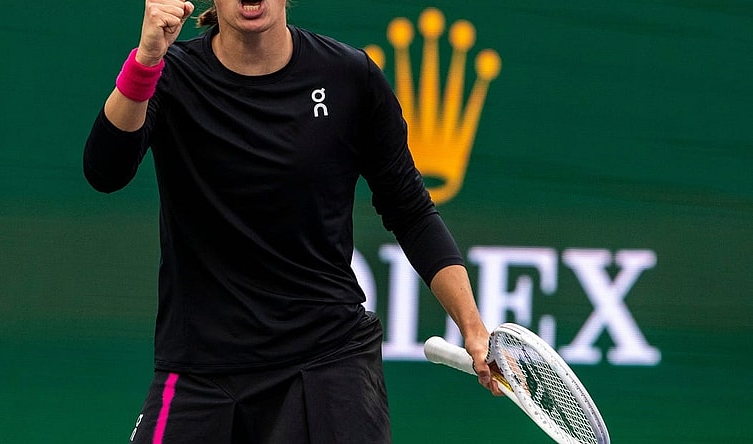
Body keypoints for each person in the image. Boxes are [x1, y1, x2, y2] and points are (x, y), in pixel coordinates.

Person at [84, 0, 500, 442]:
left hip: (327, 364)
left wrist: (472, 326)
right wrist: (146, 60)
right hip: (200, 367)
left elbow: (412, 212)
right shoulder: (170, 74)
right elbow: (105, 171)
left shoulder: (349, 77)